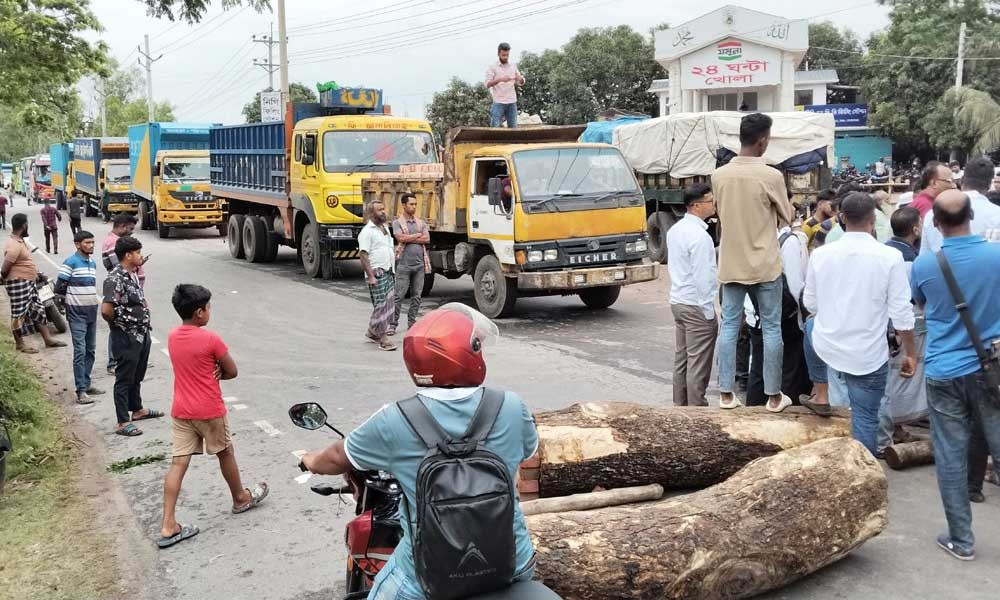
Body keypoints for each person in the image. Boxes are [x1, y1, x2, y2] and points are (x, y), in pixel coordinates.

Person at [301, 304, 538, 599]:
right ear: (471, 353)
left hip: (426, 575)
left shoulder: (394, 420)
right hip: (513, 561)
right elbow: (527, 450)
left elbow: (338, 457)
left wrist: (311, 460)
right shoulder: (512, 406)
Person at [911, 189, 1000, 561]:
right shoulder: (997, 256)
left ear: (935, 223)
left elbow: (919, 306)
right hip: (991, 369)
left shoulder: (925, 265)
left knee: (950, 455)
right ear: (971, 218)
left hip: (944, 370)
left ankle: (961, 541)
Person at [802, 192, 917, 453]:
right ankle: (864, 471)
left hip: (829, 346)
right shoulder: (889, 257)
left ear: (841, 218)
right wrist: (912, 353)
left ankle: (821, 392)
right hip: (868, 355)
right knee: (866, 417)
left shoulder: (821, 255)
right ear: (873, 219)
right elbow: (901, 314)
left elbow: (810, 305)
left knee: (810, 325)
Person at [157, 284, 268, 549]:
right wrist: (218, 368)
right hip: (209, 409)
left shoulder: (173, 336)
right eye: (208, 307)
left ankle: (168, 524)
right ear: (199, 313)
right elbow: (232, 371)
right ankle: (240, 497)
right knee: (225, 453)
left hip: (181, 410)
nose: (209, 311)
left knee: (178, 464)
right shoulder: (210, 339)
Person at [711, 112, 795, 412]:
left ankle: (725, 394)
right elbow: (788, 216)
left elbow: (721, 213)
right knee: (772, 328)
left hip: (732, 263)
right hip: (764, 265)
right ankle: (774, 397)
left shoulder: (719, 175)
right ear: (762, 141)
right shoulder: (771, 176)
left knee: (730, 326)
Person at [101, 236, 163, 436]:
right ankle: (122, 421)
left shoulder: (132, 274)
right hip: (127, 335)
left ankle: (137, 409)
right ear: (128, 255)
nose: (140, 256)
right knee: (124, 377)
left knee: (137, 374)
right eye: (137, 253)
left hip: (141, 333)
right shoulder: (115, 278)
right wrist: (119, 326)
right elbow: (106, 310)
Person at [745, 221, 811, 407]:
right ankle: (783, 413)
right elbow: (795, 284)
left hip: (756, 313)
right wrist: (803, 316)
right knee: (788, 369)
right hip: (783, 316)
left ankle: (753, 414)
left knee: (759, 368)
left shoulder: (749, 235)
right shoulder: (788, 241)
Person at [666, 184, 718, 406]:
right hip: (696, 304)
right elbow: (702, 277)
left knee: (683, 359)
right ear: (697, 206)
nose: (714, 205)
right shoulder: (699, 237)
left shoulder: (675, 230)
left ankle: (680, 406)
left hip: (679, 300)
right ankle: (697, 409)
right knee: (698, 363)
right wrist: (708, 311)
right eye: (710, 201)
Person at [1, 213, 66, 353]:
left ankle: (47, 340)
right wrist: (10, 279)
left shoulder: (19, 240)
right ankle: (20, 344)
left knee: (38, 310)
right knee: (19, 314)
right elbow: (5, 268)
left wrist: (36, 274)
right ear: (24, 225)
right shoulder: (14, 245)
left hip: (28, 282)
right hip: (19, 283)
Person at [54, 230, 105, 404]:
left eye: (92, 242)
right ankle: (81, 390)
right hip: (76, 315)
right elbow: (60, 289)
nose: (91, 245)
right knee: (80, 351)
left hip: (91, 312)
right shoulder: (70, 263)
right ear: (77, 244)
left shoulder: (92, 263)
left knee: (90, 350)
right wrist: (65, 309)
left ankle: (87, 383)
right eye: (87, 243)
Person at [920, 156, 1000, 254]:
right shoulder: (996, 215)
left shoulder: (932, 214)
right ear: (989, 185)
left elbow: (923, 255)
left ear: (962, 181)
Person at [102, 213, 143, 374]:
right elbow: (107, 311)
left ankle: (130, 358)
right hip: (124, 295)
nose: (132, 232)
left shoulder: (114, 242)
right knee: (119, 330)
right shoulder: (114, 244)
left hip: (130, 291)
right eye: (130, 229)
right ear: (122, 226)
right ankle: (115, 361)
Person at [359, 200, 397, 351]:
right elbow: (363, 254)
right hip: (377, 272)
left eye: (383, 208)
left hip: (388, 270)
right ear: (371, 213)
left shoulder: (385, 228)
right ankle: (383, 339)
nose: (383, 212)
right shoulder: (367, 232)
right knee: (381, 306)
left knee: (388, 304)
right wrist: (371, 276)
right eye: (379, 210)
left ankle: (372, 331)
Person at [391, 193, 431, 336]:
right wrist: (417, 236)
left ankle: (412, 322)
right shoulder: (397, 223)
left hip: (419, 266)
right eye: (411, 204)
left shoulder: (420, 222)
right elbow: (400, 237)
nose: (414, 207)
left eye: (415, 204)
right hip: (404, 265)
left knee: (417, 296)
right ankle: (393, 324)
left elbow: (427, 239)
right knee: (398, 296)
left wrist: (409, 238)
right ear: (404, 205)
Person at [485, 42, 525, 128]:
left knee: (513, 129)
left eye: (507, 55)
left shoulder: (513, 66)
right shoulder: (492, 67)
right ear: (498, 53)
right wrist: (500, 79)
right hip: (498, 102)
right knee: (494, 128)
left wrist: (520, 79)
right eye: (503, 55)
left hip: (512, 102)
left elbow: (520, 82)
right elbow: (487, 84)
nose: (505, 57)